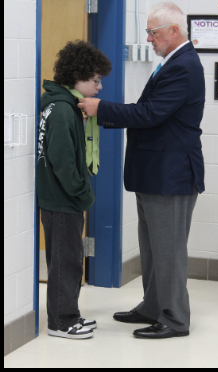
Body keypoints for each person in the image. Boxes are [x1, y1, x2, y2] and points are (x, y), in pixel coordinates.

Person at [79, 1, 204, 339]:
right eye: (148, 32)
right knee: (152, 250)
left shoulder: (184, 66)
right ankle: (153, 306)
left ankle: (174, 319)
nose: (148, 38)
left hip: (171, 176)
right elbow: (151, 110)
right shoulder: (172, 62)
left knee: (169, 252)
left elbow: (150, 114)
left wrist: (101, 108)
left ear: (173, 31)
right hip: (155, 174)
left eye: (153, 32)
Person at [37, 40, 112, 339]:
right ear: (78, 76)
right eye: (96, 80)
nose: (99, 86)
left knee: (68, 261)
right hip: (62, 200)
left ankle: (69, 314)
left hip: (61, 200)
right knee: (64, 264)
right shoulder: (62, 111)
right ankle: (61, 322)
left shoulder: (63, 105)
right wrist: (83, 193)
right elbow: (63, 163)